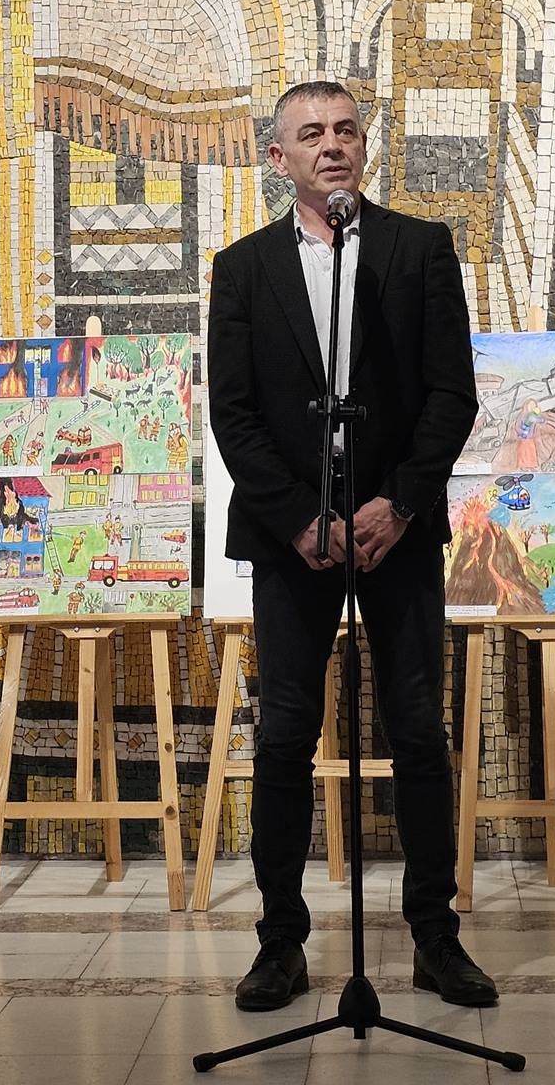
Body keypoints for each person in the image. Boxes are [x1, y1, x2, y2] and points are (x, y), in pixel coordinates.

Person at [207, 80, 495, 1012]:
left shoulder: (418, 248)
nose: (331, 146)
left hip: (394, 531)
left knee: (417, 730)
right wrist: (301, 515)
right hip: (293, 538)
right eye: (310, 134)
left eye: (345, 131)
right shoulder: (243, 269)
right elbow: (234, 414)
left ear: (364, 146)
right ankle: (279, 943)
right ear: (279, 157)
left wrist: (398, 503)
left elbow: (452, 394)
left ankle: (435, 936)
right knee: (286, 734)